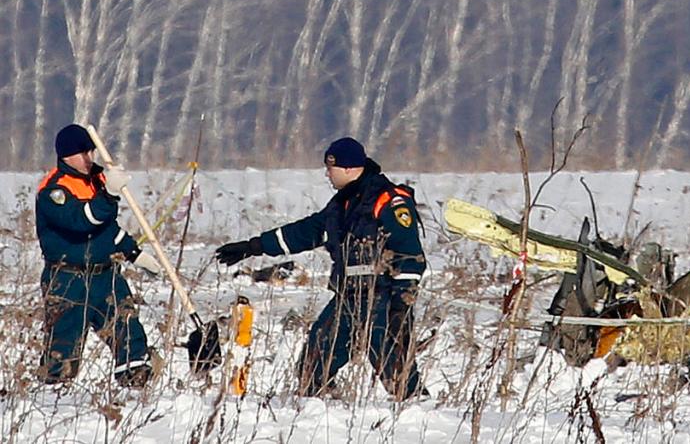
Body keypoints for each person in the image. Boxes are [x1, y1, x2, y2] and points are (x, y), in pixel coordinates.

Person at [214, 137, 427, 399]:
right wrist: (254, 246)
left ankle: (418, 407)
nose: (327, 174)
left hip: (382, 296)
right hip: (348, 296)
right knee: (315, 359)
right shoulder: (342, 204)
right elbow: (305, 232)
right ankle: (314, 405)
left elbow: (410, 253)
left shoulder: (388, 200)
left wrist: (401, 303)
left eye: (330, 168)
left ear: (349, 168)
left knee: (393, 365)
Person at [36, 124, 161, 388]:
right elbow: (81, 221)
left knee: (128, 331)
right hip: (68, 280)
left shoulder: (96, 180)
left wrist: (134, 253)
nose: (89, 158)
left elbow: (106, 230)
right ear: (65, 155)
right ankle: (54, 398)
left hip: (105, 276)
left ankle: (135, 385)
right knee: (63, 349)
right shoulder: (54, 191)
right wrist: (109, 195)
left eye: (91, 151)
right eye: (82, 153)